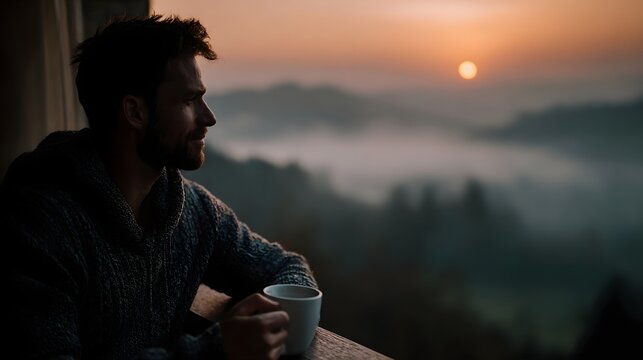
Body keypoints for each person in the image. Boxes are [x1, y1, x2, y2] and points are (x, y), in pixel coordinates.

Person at [0, 14, 317, 359]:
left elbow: (286, 267)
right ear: (135, 112)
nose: (209, 117)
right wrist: (215, 352)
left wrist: (276, 321)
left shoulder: (192, 212)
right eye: (188, 100)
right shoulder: (40, 224)